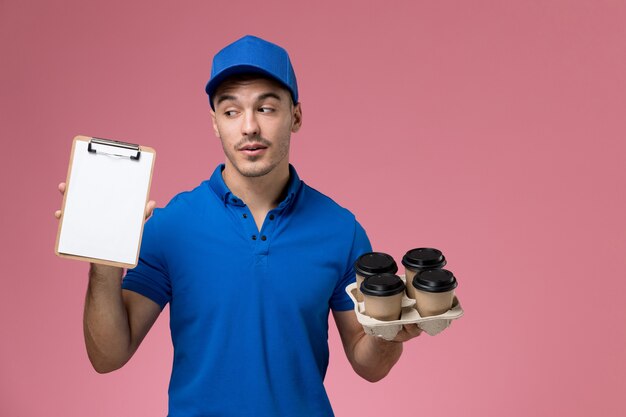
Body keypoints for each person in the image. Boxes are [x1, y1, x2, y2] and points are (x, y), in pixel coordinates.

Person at [56, 35, 421, 417]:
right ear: (214, 123)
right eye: (231, 112)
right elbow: (108, 356)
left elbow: (370, 365)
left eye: (266, 108)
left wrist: (388, 334)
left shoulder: (341, 230)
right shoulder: (170, 226)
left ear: (295, 116)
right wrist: (103, 266)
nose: (249, 127)